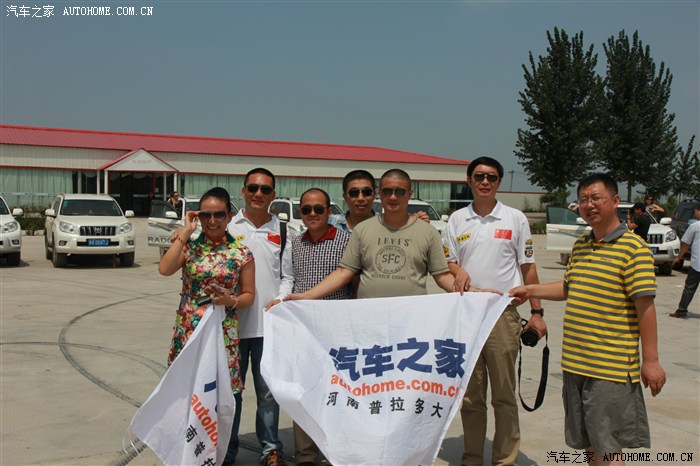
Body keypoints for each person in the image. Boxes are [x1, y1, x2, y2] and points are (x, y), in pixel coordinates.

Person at [509, 173, 666, 466]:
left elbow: (645, 308)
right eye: (583, 200)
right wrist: (530, 290)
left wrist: (651, 360)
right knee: (590, 445)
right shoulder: (581, 245)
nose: (589, 205)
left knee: (609, 448)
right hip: (575, 364)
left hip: (610, 368)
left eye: (596, 198)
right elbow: (569, 288)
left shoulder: (634, 249)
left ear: (615, 201)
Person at [443, 156, 545, 466]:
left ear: (498, 182)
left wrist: (537, 312)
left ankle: (505, 459)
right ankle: (472, 458)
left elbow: (527, 267)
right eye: (479, 176)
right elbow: (449, 262)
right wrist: (457, 270)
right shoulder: (456, 219)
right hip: (467, 316)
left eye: (491, 177)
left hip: (503, 314)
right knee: (472, 397)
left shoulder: (515, 218)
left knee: (503, 395)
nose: (485, 181)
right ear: (469, 181)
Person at [267, 187, 352, 466]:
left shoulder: (347, 241)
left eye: (318, 209)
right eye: (306, 209)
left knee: (336, 391)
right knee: (304, 390)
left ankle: (335, 452)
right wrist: (281, 300)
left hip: (336, 329)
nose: (312, 214)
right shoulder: (294, 242)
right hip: (302, 328)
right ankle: (305, 454)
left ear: (329, 211)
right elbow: (288, 278)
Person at [158, 186, 255, 417]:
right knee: (185, 389)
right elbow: (165, 269)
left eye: (219, 215)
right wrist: (185, 232)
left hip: (223, 332)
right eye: (205, 215)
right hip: (190, 330)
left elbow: (248, 295)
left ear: (229, 217)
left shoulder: (241, 253)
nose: (212, 221)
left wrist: (229, 300)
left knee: (224, 393)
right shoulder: (189, 248)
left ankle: (226, 441)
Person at [287, 168, 455, 300]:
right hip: (369, 315)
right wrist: (307, 296)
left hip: (409, 315)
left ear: (409, 194)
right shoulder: (362, 230)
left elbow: (442, 276)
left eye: (400, 192)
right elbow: (344, 272)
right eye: (387, 191)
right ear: (380, 193)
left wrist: (469, 294)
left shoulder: (428, 232)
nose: (393, 197)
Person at [225, 168, 293, 466]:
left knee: (268, 394)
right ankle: (226, 450)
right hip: (232, 328)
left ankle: (270, 449)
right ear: (243, 191)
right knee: (231, 394)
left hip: (269, 329)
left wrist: (280, 299)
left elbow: (287, 276)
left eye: (265, 189)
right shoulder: (227, 227)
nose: (258, 194)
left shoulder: (283, 230)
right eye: (253, 188)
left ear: (273, 195)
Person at [670, 202, 700, 318]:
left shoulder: (695, 226)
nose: (695, 214)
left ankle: (681, 310)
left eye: (695, 211)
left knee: (689, 288)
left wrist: (679, 257)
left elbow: (686, 244)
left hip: (697, 264)